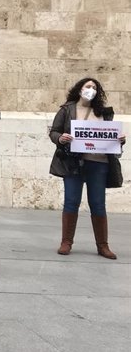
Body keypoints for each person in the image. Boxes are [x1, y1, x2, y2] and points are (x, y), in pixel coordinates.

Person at [49, 77, 125, 259]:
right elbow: (54, 131)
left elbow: (111, 136)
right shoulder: (67, 109)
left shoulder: (104, 112)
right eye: (88, 86)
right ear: (80, 89)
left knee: (98, 204)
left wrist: (120, 140)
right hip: (73, 163)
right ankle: (66, 242)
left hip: (99, 164)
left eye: (94, 87)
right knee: (71, 201)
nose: (91, 89)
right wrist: (61, 138)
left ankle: (103, 245)